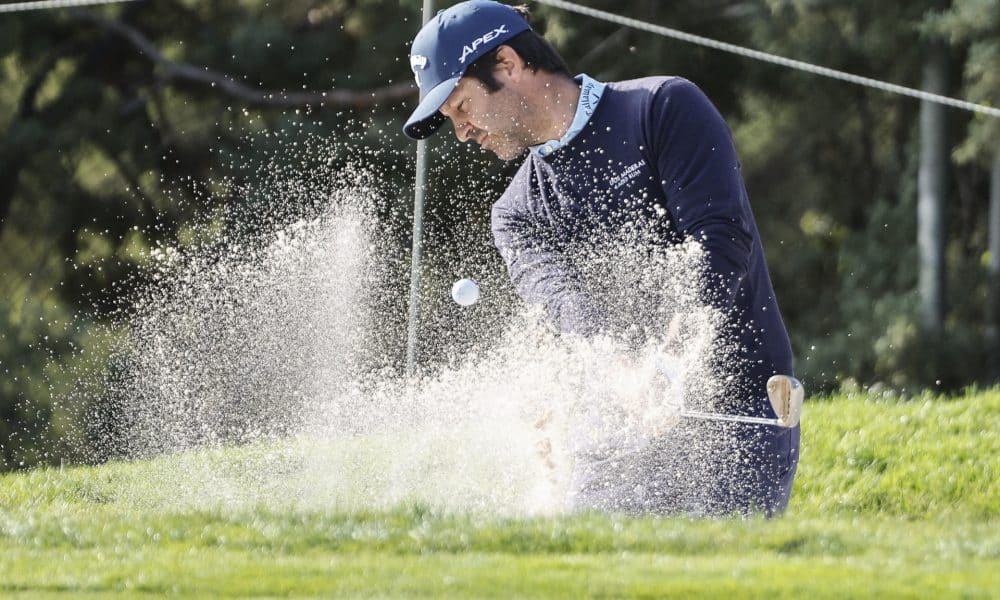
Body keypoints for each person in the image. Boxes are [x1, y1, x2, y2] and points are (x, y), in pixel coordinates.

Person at [402, 0, 799, 516]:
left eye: (461, 107)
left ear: (507, 64)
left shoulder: (662, 108)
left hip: (740, 414)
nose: (462, 131)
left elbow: (722, 244)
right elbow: (570, 312)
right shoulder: (515, 214)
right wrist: (623, 372)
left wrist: (669, 360)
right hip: (617, 434)